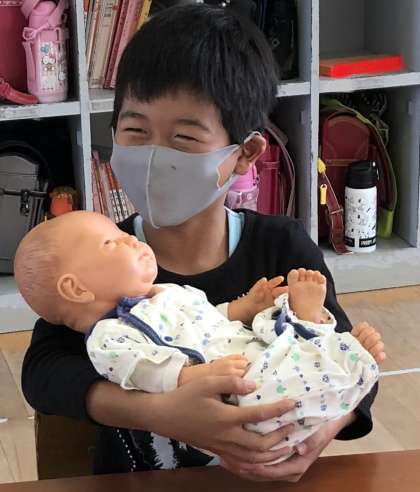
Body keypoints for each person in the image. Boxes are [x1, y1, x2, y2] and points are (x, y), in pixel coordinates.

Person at [21, 4, 380, 481]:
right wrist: (158, 412)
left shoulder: (281, 247)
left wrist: (317, 435)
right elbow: (42, 374)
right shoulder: (95, 260)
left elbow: (347, 356)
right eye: (135, 130)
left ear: (246, 153)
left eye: (184, 138)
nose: (153, 156)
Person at [15, 211, 383, 463]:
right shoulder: (108, 335)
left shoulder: (167, 292)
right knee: (268, 381)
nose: (129, 240)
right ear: (76, 289)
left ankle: (314, 332)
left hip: (246, 353)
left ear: (245, 153)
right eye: (112, 243)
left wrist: (244, 307)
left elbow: (206, 315)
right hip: (233, 391)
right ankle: (331, 355)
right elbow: (141, 368)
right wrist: (184, 384)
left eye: (185, 136)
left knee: (273, 326)